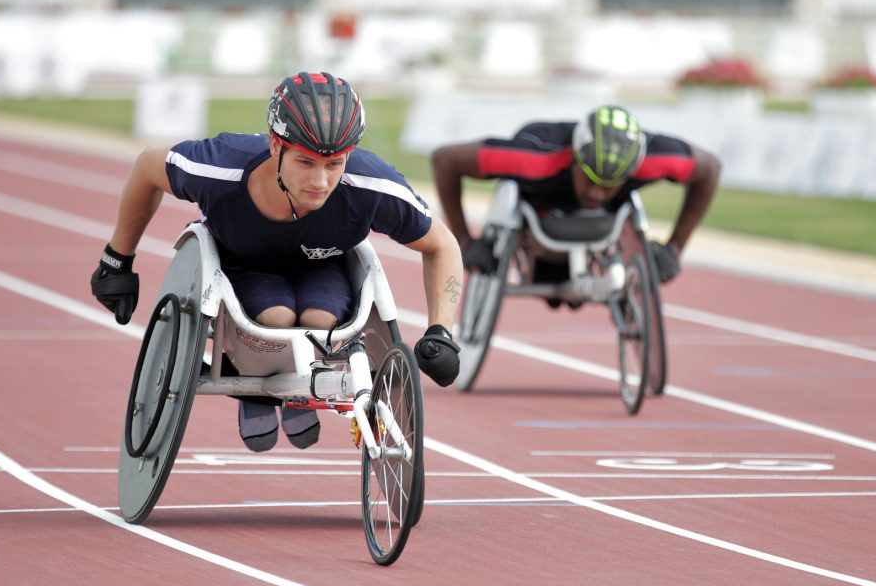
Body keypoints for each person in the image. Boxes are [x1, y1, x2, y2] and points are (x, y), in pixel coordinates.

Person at [90, 71, 462, 452]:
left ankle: (294, 386)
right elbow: (147, 168)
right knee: (275, 319)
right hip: (242, 267)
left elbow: (442, 245)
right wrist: (116, 259)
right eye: (306, 162)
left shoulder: (371, 184)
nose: (320, 180)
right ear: (275, 145)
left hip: (324, 265)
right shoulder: (220, 168)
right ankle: (256, 390)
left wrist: (441, 332)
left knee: (320, 321)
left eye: (334, 164)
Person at [430, 104, 720, 295]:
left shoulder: (654, 159)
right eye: (590, 179)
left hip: (603, 219)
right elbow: (444, 160)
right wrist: (464, 242)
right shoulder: (534, 158)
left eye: (608, 185)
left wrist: (675, 248)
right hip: (540, 203)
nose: (596, 192)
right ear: (575, 160)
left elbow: (710, 169)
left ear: (632, 171)